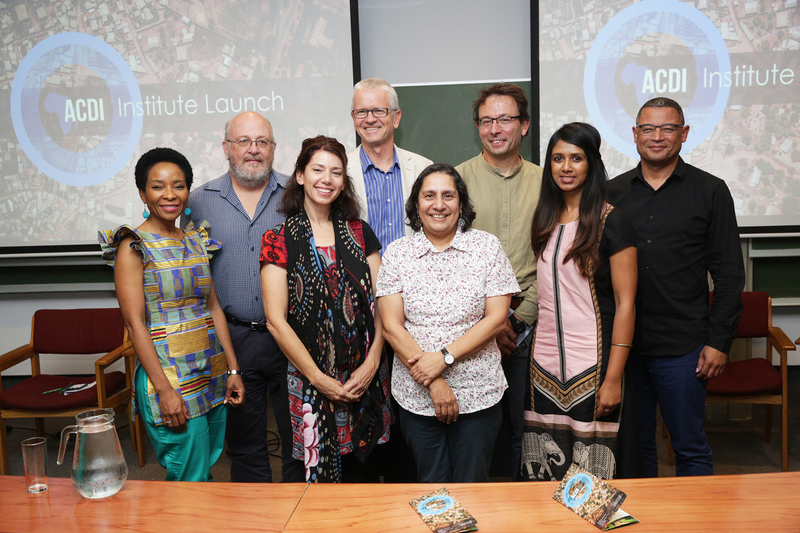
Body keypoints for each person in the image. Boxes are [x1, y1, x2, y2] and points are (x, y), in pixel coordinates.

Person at [608, 97, 745, 477]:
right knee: (635, 449)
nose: (657, 137)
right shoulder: (611, 194)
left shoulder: (710, 190)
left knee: (689, 446)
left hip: (684, 348)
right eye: (648, 129)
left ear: (683, 134)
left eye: (667, 128)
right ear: (634, 135)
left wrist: (719, 341)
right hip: (625, 348)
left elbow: (730, 273)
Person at [99, 147, 245, 481]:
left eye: (178, 185)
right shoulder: (132, 246)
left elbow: (213, 308)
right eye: (158, 186)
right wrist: (165, 391)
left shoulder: (196, 239)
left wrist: (233, 368)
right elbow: (135, 325)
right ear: (142, 193)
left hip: (210, 371)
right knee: (187, 477)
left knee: (205, 468)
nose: (169, 194)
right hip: (170, 377)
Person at [377, 163, 520, 483]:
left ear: (461, 203)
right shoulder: (398, 253)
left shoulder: (487, 247)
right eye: (429, 195)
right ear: (416, 204)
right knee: (432, 484)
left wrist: (443, 358)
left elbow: (496, 319)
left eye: (448, 196)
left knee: (474, 483)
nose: (438, 204)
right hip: (417, 395)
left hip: (478, 392)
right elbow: (391, 326)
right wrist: (433, 381)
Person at [260, 136, 391, 483]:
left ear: (344, 182)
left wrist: (373, 361)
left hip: (366, 375)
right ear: (300, 175)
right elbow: (275, 321)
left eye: (336, 172)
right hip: (310, 381)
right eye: (318, 169)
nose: (326, 179)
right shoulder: (279, 238)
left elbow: (384, 307)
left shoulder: (361, 233)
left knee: (369, 474)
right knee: (320, 487)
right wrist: (319, 379)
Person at [184, 112, 303, 482]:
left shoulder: (297, 196)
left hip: (292, 336)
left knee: (301, 437)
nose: (253, 150)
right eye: (243, 141)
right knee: (246, 443)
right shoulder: (198, 202)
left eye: (262, 142)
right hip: (233, 339)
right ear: (226, 148)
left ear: (273, 149)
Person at [521, 123, 641, 482]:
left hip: (594, 365)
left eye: (576, 158)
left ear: (592, 164)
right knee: (543, 471)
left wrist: (614, 378)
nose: (566, 167)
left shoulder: (611, 221)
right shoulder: (545, 219)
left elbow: (626, 304)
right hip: (543, 369)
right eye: (558, 158)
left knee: (596, 482)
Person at [455, 83, 543, 480]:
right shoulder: (454, 182)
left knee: (526, 432)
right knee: (477, 433)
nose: (495, 128)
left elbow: (553, 258)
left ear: (523, 126)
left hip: (534, 327)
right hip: (470, 331)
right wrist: (490, 323)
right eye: (486, 120)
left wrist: (519, 318)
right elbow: (449, 259)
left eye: (505, 119)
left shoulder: (549, 183)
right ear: (477, 127)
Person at [347, 77, 433, 250]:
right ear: (353, 118)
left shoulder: (423, 168)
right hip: (361, 276)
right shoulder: (340, 171)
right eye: (361, 111)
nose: (370, 119)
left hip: (411, 275)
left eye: (379, 110)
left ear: (396, 118)